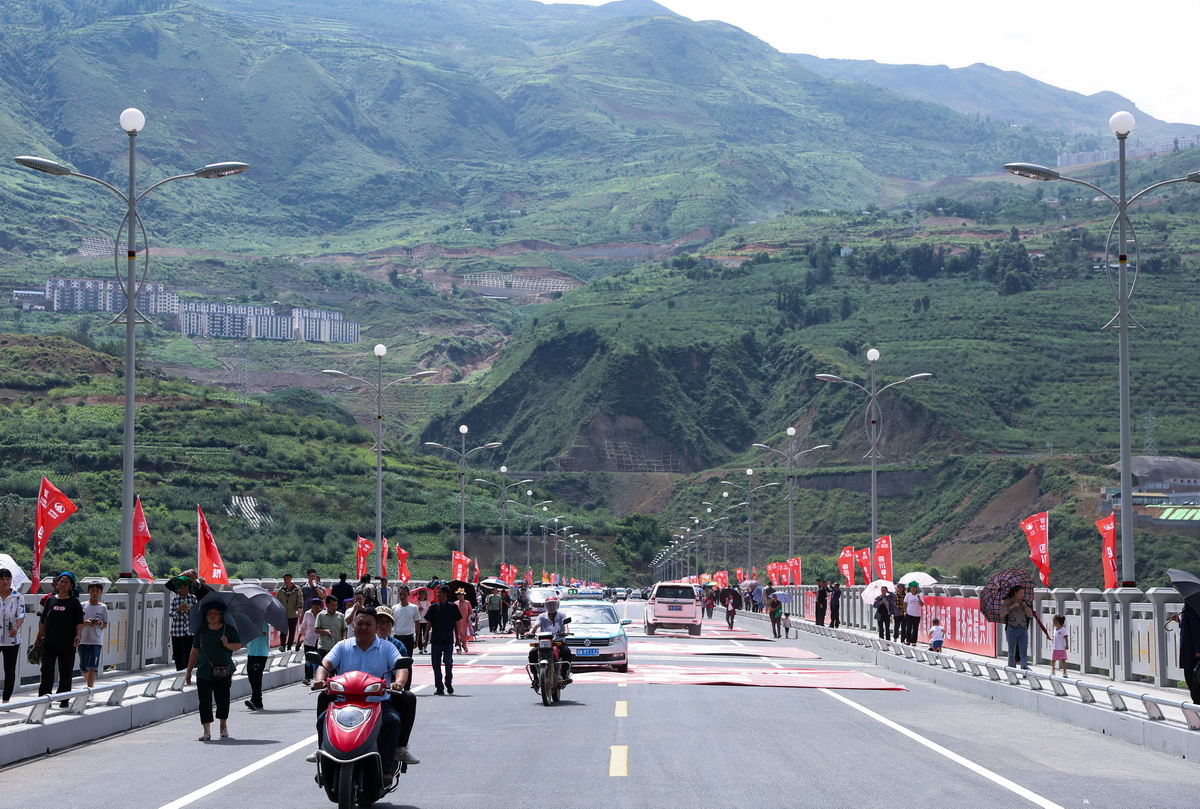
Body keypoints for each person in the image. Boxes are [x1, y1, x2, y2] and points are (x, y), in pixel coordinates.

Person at [309, 608, 408, 775]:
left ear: (376, 627)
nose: (363, 627)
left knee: (393, 721)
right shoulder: (342, 646)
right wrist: (319, 679)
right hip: (343, 702)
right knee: (322, 720)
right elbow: (325, 664)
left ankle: (385, 770)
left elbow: (401, 667)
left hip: (378, 703)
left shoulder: (387, 647)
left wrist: (398, 683)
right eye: (360, 623)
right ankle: (324, 761)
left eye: (368, 624)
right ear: (353, 626)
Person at [186, 602, 242, 741]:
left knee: (223, 699)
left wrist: (227, 644)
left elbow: (238, 645)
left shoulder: (229, 630)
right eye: (210, 613)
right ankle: (206, 731)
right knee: (204, 701)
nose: (212, 616)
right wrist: (189, 670)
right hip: (204, 671)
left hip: (223, 671)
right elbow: (195, 651)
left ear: (221, 616)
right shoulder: (201, 631)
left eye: (215, 613)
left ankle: (223, 725)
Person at [370, 606, 419, 765]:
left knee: (408, 698)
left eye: (387, 622)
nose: (382, 625)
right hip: (359, 692)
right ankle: (325, 745)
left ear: (392, 625)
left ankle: (400, 747)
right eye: (379, 621)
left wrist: (397, 684)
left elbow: (402, 670)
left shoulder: (396, 646)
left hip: (386, 693)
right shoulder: (355, 643)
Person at [35, 571, 83, 706]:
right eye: (61, 581)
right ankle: (44, 699)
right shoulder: (50, 600)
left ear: (71, 585)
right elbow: (43, 621)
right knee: (46, 670)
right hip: (49, 642)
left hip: (67, 643)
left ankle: (64, 699)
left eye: (66, 582)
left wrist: (78, 635)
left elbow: (79, 622)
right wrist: (38, 637)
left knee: (65, 672)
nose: (62, 584)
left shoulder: (74, 602)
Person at [424, 586, 462, 695]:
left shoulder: (453, 607)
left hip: (448, 640)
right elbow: (429, 622)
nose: (437, 595)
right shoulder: (433, 607)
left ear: (445, 594)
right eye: (437, 593)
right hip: (436, 640)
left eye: (439, 593)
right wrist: (425, 637)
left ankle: (448, 682)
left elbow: (456, 623)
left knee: (448, 663)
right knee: (436, 665)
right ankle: (439, 687)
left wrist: (458, 638)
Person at [527, 596, 573, 685]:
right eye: (549, 605)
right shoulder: (542, 616)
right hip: (544, 642)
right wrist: (530, 632)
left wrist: (566, 631)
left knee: (566, 652)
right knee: (532, 653)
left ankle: (564, 675)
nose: (551, 607)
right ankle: (535, 677)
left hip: (558, 642)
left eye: (553, 605)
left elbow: (565, 625)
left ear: (557, 605)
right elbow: (536, 625)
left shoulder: (562, 615)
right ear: (546, 606)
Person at [1, 567, 28, 702]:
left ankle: (6, 700)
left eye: (8, 579)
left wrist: (16, 627)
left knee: (10, 670)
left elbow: (21, 614)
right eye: (2, 579)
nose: (5, 581)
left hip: (11, 639)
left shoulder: (18, 596)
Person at [79, 581, 108, 688]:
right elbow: (77, 623)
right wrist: (85, 622)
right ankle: (90, 685)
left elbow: (105, 625)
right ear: (88, 591)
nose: (95, 593)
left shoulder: (103, 607)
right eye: (92, 590)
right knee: (83, 667)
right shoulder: (83, 605)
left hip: (96, 640)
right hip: (83, 640)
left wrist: (99, 623)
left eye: (97, 591)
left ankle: (89, 688)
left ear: (101, 592)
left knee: (92, 666)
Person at [169, 578, 199, 671]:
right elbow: (171, 614)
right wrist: (179, 610)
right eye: (181, 588)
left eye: (185, 588)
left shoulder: (193, 598)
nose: (183, 590)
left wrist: (190, 610)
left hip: (190, 631)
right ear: (178, 589)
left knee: (189, 652)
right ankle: (179, 672)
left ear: (188, 588)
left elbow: (197, 612)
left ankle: (190, 671)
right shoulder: (175, 599)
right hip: (177, 631)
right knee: (178, 653)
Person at [1002, 585, 1033, 670]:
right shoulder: (1008, 601)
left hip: (1023, 628)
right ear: (1015, 593)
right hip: (1012, 628)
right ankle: (1011, 668)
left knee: (1023, 650)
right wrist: (1012, 606)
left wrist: (1025, 606)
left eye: (1023, 593)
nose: (1022, 595)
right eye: (1020, 593)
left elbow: (1030, 615)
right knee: (1011, 650)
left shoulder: (1025, 602)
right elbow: (1002, 612)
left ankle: (1024, 667)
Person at [1174, 605, 1200, 704]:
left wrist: (1198, 650)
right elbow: (1189, 626)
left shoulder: (1192, 606)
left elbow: (1196, 628)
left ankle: (1197, 705)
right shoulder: (1190, 605)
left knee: (1193, 679)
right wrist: (1180, 622)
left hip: (1193, 651)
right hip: (1191, 649)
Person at [244, 620, 270, 711]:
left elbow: (262, 633)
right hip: (251, 652)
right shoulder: (247, 622)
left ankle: (255, 700)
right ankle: (257, 699)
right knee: (251, 676)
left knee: (257, 677)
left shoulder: (262, 621)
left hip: (261, 652)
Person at [298, 597, 324, 684]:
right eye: (313, 607)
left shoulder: (323, 614)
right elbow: (303, 627)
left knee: (320, 659)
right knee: (308, 659)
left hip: (320, 640)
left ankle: (319, 677)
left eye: (317, 607)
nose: (315, 609)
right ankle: (307, 677)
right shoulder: (308, 614)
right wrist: (298, 640)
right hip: (309, 640)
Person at [276, 573, 303, 651]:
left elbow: (300, 599)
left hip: (293, 614)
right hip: (283, 614)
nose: (286, 580)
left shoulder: (297, 589)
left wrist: (299, 607)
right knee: (283, 632)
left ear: (291, 579)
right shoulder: (281, 590)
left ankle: (289, 646)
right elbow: (277, 601)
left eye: (287, 578)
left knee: (292, 632)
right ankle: (282, 646)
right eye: (285, 579)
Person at [392, 586, 419, 657]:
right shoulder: (394, 608)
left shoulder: (414, 608)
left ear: (408, 595)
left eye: (404, 594)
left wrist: (417, 640)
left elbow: (417, 625)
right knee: (396, 659)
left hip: (408, 638)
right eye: (401, 594)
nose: (402, 596)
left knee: (408, 659)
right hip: (397, 638)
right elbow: (391, 624)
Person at [904, 581, 924, 646]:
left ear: (916, 588)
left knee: (915, 628)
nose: (913, 589)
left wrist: (919, 598)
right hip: (909, 613)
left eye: (914, 587)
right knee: (909, 627)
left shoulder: (920, 595)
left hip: (917, 614)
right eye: (911, 587)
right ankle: (908, 640)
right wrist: (904, 611)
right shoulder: (908, 595)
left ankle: (914, 641)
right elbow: (905, 603)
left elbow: (921, 604)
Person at [454, 589, 471, 654]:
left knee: (463, 633)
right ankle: (458, 646)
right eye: (458, 595)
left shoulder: (467, 602)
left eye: (461, 595)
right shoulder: (455, 603)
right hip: (457, 621)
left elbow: (470, 611)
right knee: (457, 633)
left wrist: (468, 617)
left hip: (464, 620)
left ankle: (464, 644)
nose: (460, 596)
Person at [414, 589, 430, 653]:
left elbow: (430, 610)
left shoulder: (428, 603)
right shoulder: (416, 603)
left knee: (426, 634)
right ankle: (420, 648)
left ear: (425, 596)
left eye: (423, 594)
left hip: (426, 621)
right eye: (420, 594)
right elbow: (414, 610)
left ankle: (425, 646)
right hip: (419, 621)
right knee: (419, 634)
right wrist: (418, 609)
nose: (422, 596)